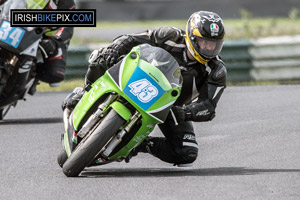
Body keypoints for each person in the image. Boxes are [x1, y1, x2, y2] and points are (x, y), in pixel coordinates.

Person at [63, 11, 227, 167]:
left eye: (214, 44)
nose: (209, 49)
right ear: (192, 37)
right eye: (204, 42)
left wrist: (186, 112)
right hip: (138, 77)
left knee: (187, 153)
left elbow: (209, 106)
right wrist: (115, 48)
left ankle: (138, 143)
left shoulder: (216, 70)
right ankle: (85, 92)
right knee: (101, 56)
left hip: (169, 107)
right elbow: (131, 39)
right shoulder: (170, 36)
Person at [0, 0, 76, 90]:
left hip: (46, 38)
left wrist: (55, 41)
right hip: (16, 27)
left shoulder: (66, 2)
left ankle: (32, 75)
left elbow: (68, 27)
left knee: (55, 74)